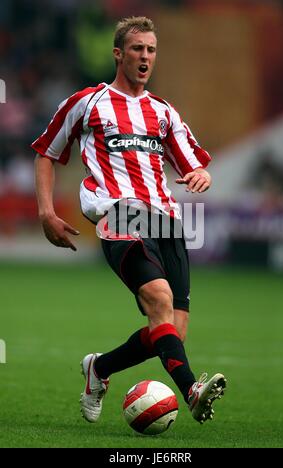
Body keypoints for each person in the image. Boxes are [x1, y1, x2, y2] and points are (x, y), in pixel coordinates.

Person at [32, 16, 226, 426]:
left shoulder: (163, 111)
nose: (145, 57)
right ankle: (191, 389)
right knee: (159, 299)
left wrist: (202, 175)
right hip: (119, 216)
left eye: (151, 50)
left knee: (170, 331)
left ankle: (98, 369)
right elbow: (47, 152)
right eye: (137, 48)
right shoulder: (87, 102)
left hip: (167, 223)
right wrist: (47, 212)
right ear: (119, 53)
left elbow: (195, 163)